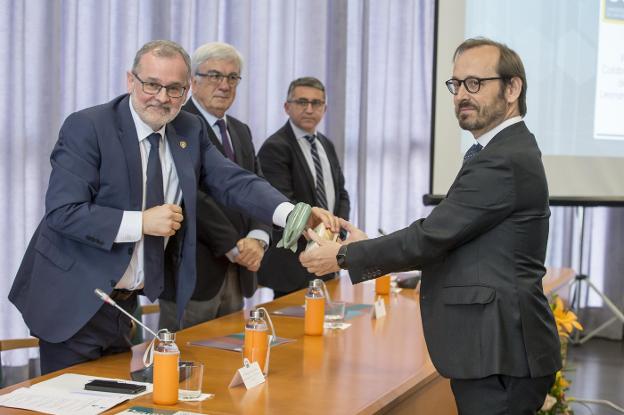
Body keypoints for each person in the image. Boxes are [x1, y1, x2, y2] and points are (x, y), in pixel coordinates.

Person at [9, 40, 336, 374]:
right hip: (72, 299)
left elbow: (234, 181)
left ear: (187, 89)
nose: (162, 97)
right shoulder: (89, 127)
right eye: (152, 84)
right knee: (71, 403)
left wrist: (294, 212)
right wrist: (142, 222)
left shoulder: (188, 129)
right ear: (130, 81)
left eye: (174, 88)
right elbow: (64, 213)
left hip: (124, 304)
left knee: (117, 397)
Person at [300, 38, 561, 415]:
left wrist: (342, 255)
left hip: (500, 352)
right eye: (456, 84)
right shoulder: (502, 150)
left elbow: (431, 236)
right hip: (496, 349)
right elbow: (452, 237)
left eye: (475, 83)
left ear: (513, 88)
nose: (461, 96)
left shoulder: (503, 159)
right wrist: (369, 243)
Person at [158, 42, 269, 330]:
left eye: (232, 78)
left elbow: (256, 186)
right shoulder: (175, 124)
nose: (224, 85)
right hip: (193, 274)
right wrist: (233, 245)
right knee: (183, 366)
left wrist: (258, 237)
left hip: (240, 269)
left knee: (230, 363)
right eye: (215, 76)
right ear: (193, 81)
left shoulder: (240, 131)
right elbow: (189, 193)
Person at [257, 77, 350, 298]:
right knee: (290, 329)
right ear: (287, 107)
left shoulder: (325, 144)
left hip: (327, 254)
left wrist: (337, 232)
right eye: (302, 102)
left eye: (316, 103)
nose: (309, 109)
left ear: (324, 109)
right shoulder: (275, 147)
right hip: (293, 262)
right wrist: (320, 236)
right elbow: (283, 202)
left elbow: (341, 194)